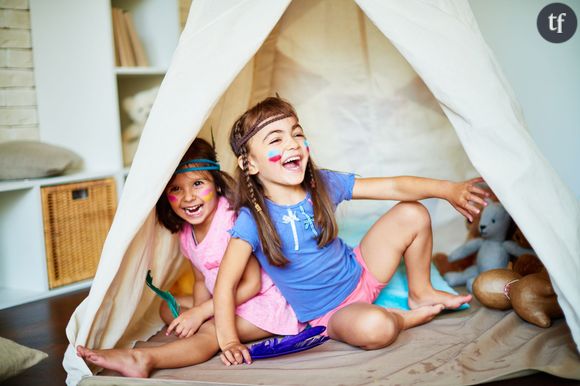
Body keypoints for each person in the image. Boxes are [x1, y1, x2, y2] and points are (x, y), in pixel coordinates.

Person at [214, 97, 488, 366]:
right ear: (249, 164)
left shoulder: (322, 184)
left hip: (361, 270)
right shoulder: (252, 220)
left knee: (412, 213)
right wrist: (228, 341)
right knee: (377, 329)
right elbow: (226, 284)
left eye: (297, 134)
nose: (292, 143)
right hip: (332, 314)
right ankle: (401, 317)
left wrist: (447, 190)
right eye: (276, 139)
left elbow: (393, 187)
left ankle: (421, 291)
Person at [76, 138, 303, 377]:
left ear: (215, 184)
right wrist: (196, 310)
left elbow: (252, 284)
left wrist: (202, 314)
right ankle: (197, 332)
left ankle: (143, 359)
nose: (188, 197)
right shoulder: (186, 233)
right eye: (176, 189)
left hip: (263, 302)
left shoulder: (232, 221)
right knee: (168, 307)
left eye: (197, 184)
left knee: (211, 330)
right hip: (222, 299)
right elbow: (200, 280)